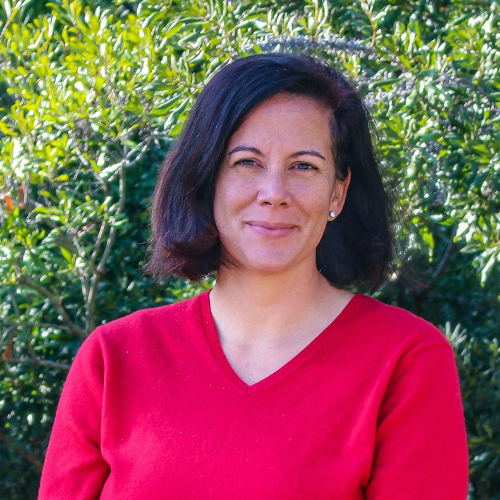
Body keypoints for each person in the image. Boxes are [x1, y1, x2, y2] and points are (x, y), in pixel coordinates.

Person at [39, 54, 468, 499]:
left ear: (337, 191)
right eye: (247, 162)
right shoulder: (113, 360)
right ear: (207, 179)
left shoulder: (405, 360)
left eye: (304, 166)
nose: (274, 193)